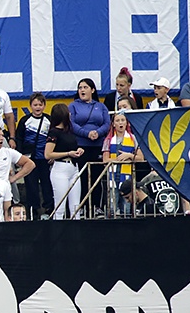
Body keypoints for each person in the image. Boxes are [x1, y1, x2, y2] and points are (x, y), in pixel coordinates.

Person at [69, 78, 110, 214]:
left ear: (92, 90)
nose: (82, 90)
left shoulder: (101, 106)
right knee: (82, 177)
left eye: (85, 87)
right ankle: (82, 206)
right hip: (81, 145)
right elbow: (72, 124)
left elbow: (107, 123)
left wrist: (98, 133)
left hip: (98, 145)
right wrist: (87, 133)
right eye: (80, 87)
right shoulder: (73, 106)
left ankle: (97, 206)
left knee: (97, 177)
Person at [14, 93, 54, 217]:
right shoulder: (25, 120)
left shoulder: (49, 120)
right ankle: (33, 209)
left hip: (44, 159)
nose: (37, 107)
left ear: (44, 106)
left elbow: (54, 138)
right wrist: (21, 157)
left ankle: (49, 207)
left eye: (40, 105)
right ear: (30, 105)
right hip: (29, 159)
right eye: (35, 104)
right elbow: (19, 138)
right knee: (31, 185)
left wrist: (52, 155)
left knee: (47, 183)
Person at [45, 103, 85, 220]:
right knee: (60, 206)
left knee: (75, 206)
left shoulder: (69, 131)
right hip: (61, 168)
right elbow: (48, 154)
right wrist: (68, 153)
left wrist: (78, 150)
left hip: (73, 167)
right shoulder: (54, 132)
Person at [101, 112, 143, 217]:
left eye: (123, 120)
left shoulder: (133, 139)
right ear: (113, 124)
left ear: (127, 123)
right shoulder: (108, 140)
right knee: (112, 207)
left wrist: (129, 155)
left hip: (127, 177)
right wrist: (117, 159)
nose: (120, 123)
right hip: (112, 177)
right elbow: (105, 159)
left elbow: (141, 158)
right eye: (117, 120)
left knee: (126, 208)